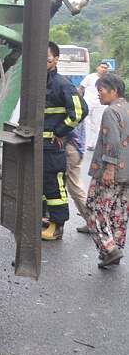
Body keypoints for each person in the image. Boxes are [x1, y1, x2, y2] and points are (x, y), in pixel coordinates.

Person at [42, 42, 89, 240]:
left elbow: (80, 111)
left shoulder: (62, 84)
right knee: (44, 186)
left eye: (47, 58)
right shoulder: (38, 83)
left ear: (56, 59)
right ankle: (46, 219)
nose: (43, 62)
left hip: (53, 146)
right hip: (38, 146)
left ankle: (57, 226)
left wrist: (60, 132)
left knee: (55, 186)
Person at [84, 74, 129, 268]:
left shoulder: (111, 111)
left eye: (101, 90)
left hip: (110, 171)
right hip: (126, 173)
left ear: (114, 90)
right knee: (119, 211)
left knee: (94, 209)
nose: (99, 95)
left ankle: (110, 250)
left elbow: (112, 141)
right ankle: (116, 246)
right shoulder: (127, 107)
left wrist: (109, 168)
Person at [64, 121, 93, 234]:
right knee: (74, 186)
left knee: (74, 187)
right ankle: (92, 221)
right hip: (75, 147)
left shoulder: (72, 106)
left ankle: (93, 222)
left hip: (71, 147)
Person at [79, 61, 110, 151]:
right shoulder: (90, 77)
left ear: (107, 69)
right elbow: (81, 88)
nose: (103, 69)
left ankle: (92, 144)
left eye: (105, 68)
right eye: (102, 67)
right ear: (98, 68)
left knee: (96, 125)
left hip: (100, 105)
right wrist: (79, 100)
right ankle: (83, 142)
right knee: (84, 122)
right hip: (87, 103)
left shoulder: (108, 80)